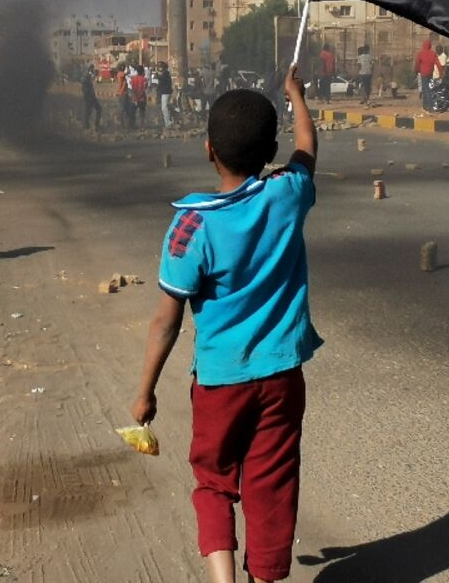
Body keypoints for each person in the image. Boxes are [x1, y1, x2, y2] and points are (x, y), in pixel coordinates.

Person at [131, 64, 321, 583]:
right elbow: (307, 146)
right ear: (268, 154)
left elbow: (165, 323)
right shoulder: (287, 195)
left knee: (214, 481)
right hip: (282, 377)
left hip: (220, 382)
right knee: (272, 482)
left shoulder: (191, 225)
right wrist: (295, 96)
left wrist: (145, 392)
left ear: (208, 149)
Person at [415, 40, 443, 111]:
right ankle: (425, 106)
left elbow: (417, 64)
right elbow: (438, 65)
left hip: (423, 73)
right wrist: (441, 74)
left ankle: (429, 106)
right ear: (430, 46)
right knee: (428, 89)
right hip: (430, 73)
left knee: (426, 89)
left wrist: (417, 71)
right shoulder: (433, 53)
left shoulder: (420, 53)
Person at [81, 64, 102, 132]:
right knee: (96, 109)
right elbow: (85, 88)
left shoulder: (87, 75)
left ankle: (87, 125)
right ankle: (94, 125)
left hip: (90, 96)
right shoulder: (87, 76)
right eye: (92, 69)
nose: (93, 70)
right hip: (89, 97)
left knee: (89, 111)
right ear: (90, 69)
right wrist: (89, 94)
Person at [116, 64, 134, 129]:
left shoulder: (120, 74)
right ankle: (122, 124)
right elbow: (127, 73)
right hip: (121, 93)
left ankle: (124, 124)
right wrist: (128, 67)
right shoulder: (120, 73)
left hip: (124, 93)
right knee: (122, 109)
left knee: (125, 109)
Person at [157, 62, 174, 128]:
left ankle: (168, 123)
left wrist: (158, 76)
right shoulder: (166, 73)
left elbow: (162, 81)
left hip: (165, 92)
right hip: (166, 92)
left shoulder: (165, 73)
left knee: (164, 108)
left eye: (160, 67)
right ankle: (169, 121)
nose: (159, 68)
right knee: (166, 106)